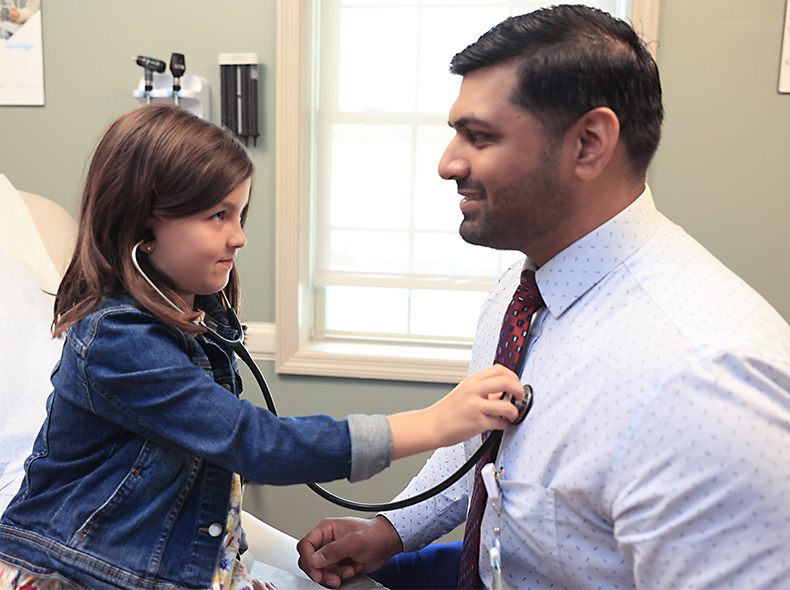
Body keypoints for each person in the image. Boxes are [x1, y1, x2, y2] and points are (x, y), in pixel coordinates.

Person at [297, 5, 790, 589]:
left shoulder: (702, 382)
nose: (447, 163)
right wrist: (392, 530)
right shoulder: (525, 286)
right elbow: (488, 449)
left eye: (479, 136)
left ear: (588, 143)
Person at [0, 104, 528, 590]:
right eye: (217, 217)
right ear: (144, 227)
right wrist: (437, 422)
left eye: (240, 215)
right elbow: (255, 443)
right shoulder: (118, 340)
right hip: (75, 571)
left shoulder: (195, 320)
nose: (239, 237)